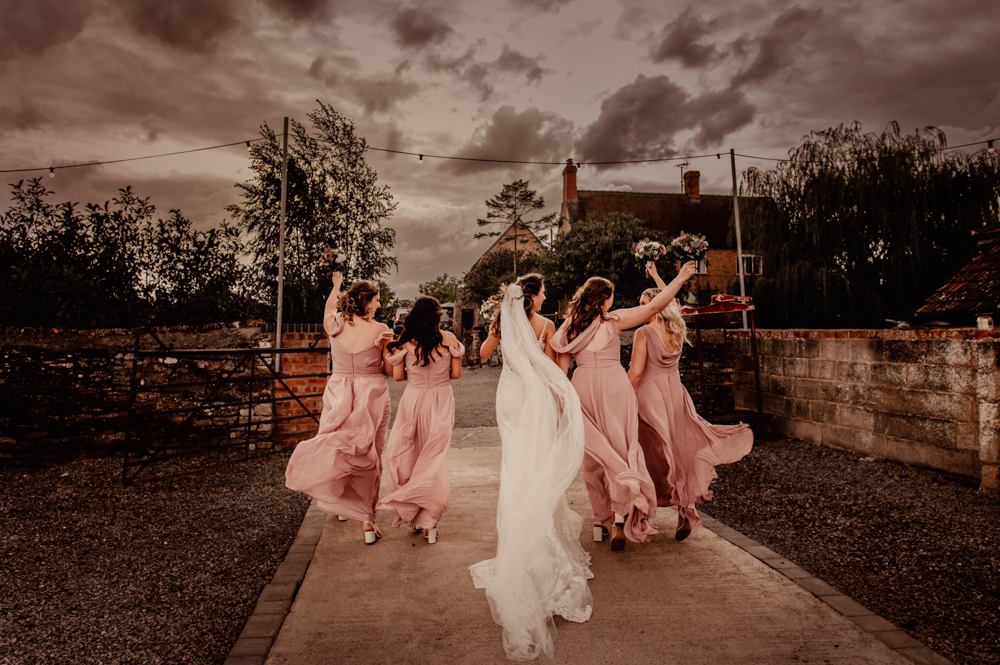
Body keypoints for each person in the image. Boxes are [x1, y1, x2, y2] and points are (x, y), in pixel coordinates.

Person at [470, 274, 593, 661]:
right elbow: (555, 369)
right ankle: (538, 532)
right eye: (542, 294)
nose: (545, 298)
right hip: (533, 398)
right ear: (534, 297)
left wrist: (497, 323)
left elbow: (483, 355)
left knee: (515, 467)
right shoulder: (546, 326)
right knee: (538, 464)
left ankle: (518, 533)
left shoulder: (504, 321)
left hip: (509, 396)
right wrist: (558, 404)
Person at [550, 261, 698, 551]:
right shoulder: (613, 321)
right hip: (615, 388)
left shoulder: (568, 328)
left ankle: (600, 522)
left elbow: (560, 373)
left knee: (593, 458)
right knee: (621, 451)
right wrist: (679, 279)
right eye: (612, 298)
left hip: (582, 388)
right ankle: (620, 517)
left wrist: (561, 407)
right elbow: (655, 307)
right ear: (604, 300)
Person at [628, 262, 753, 540]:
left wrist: (619, 396)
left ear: (656, 305)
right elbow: (671, 300)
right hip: (675, 395)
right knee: (677, 450)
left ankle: (641, 511)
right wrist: (657, 276)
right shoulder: (676, 329)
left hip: (649, 397)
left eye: (644, 303)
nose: (640, 308)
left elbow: (635, 373)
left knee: (645, 452)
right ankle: (685, 506)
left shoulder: (643, 333)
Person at [285, 272, 393, 545]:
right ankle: (368, 520)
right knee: (369, 453)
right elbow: (388, 370)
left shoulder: (335, 324)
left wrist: (336, 286)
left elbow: (329, 306)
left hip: (339, 393)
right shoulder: (380, 329)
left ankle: (340, 504)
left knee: (339, 447)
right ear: (366, 301)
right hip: (372, 394)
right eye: (377, 300)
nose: (379, 305)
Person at [376, 297, 464, 544]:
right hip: (441, 400)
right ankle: (430, 523)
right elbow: (456, 374)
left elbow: (397, 378)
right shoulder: (449, 339)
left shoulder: (405, 341)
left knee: (409, 456)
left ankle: (415, 514)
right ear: (437, 316)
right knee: (433, 460)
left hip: (413, 401)